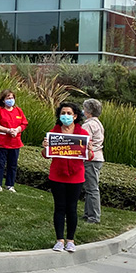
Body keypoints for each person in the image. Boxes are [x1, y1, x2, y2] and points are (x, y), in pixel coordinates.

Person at [42, 102, 89, 253]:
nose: (66, 116)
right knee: (59, 207)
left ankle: (70, 240)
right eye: (63, 113)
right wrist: (45, 147)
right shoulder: (54, 132)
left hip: (76, 177)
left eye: (69, 113)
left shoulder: (82, 134)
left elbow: (89, 156)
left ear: (75, 116)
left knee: (72, 208)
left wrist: (89, 150)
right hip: (57, 175)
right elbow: (46, 155)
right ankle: (59, 240)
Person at [0, 89, 28, 192]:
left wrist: (17, 130)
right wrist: (8, 130)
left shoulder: (18, 111)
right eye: (8, 98)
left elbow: (23, 123)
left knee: (13, 165)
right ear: (3, 100)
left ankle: (10, 185)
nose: (10, 100)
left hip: (15, 143)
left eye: (12, 98)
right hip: (0, 143)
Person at [82, 98, 105, 224]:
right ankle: (87, 213)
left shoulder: (88, 125)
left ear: (88, 111)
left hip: (91, 158)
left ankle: (94, 217)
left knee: (92, 188)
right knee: (90, 187)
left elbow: (84, 141)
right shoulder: (98, 123)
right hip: (97, 157)